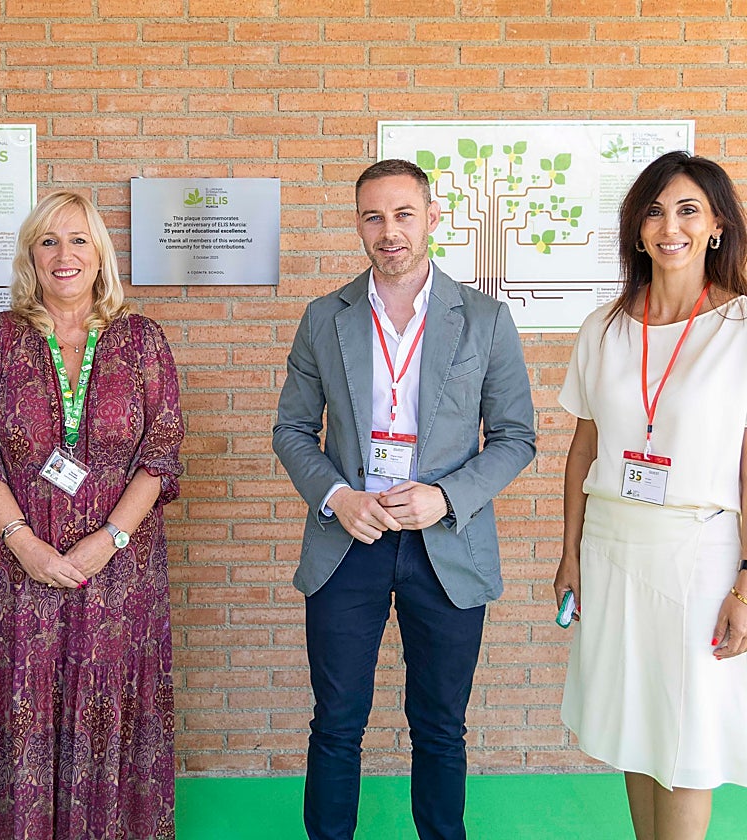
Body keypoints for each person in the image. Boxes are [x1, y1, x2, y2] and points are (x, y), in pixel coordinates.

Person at [272, 159, 536, 840]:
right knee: (335, 722)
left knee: (442, 727)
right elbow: (293, 428)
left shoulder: (484, 318)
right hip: (347, 545)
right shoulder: (323, 317)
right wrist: (335, 495)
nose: (388, 232)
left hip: (445, 546)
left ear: (432, 218)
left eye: (402, 214)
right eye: (373, 216)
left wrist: (446, 498)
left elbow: (515, 437)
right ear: (358, 222)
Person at [0, 190, 184, 840]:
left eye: (78, 240)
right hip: (13, 582)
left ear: (100, 254)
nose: (64, 254)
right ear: (31, 255)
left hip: (118, 582)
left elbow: (162, 454)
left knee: (110, 713)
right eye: (49, 241)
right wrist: (26, 545)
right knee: (17, 717)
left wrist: (106, 542)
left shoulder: (141, 341)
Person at [554, 150, 747, 840]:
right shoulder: (603, 327)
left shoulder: (740, 329)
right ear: (636, 230)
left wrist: (746, 586)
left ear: (717, 226)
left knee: (688, 733)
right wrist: (569, 555)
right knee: (635, 724)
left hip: (700, 552)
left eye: (689, 209)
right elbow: (583, 450)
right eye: (655, 211)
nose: (671, 225)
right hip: (611, 548)